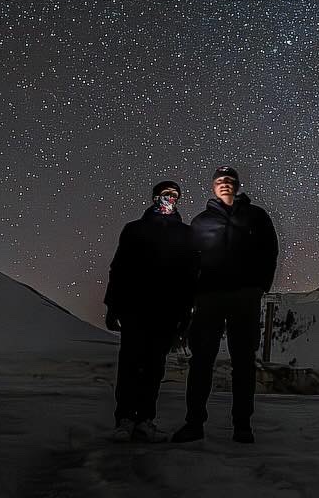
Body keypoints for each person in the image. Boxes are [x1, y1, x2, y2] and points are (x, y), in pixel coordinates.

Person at [172, 165, 279, 445]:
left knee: (243, 362)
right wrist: (192, 294)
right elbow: (188, 261)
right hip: (209, 298)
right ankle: (194, 423)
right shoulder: (200, 222)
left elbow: (270, 252)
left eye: (230, 180)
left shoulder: (257, 216)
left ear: (238, 185)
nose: (225, 184)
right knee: (201, 361)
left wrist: (259, 287)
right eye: (220, 180)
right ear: (213, 186)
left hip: (244, 297)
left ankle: (242, 425)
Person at [103, 180, 193, 443]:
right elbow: (118, 269)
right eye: (166, 194)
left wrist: (185, 313)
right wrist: (113, 307)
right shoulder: (134, 230)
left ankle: (145, 419)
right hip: (135, 308)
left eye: (175, 195)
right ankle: (125, 419)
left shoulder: (185, 234)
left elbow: (189, 275)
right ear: (155, 197)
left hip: (166, 311)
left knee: (154, 367)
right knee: (130, 364)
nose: (170, 198)